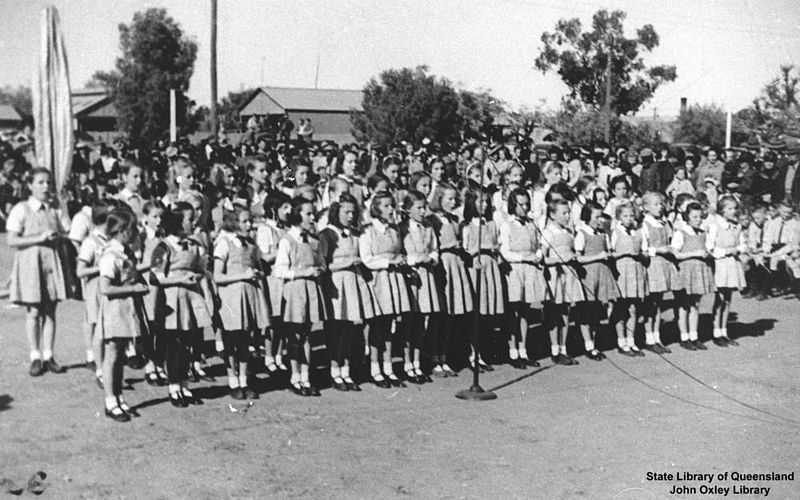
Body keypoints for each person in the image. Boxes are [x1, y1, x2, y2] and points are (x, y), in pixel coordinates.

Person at [7, 168, 72, 376]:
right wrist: (39, 238)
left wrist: (58, 236)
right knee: (34, 311)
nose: (46, 187)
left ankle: (49, 355)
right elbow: (12, 240)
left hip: (51, 263)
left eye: (48, 183)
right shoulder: (21, 209)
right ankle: (35, 356)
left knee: (50, 310)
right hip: (29, 264)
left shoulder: (54, 209)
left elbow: (66, 231)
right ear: (30, 185)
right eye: (41, 182)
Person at [151, 207, 212, 407]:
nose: (193, 223)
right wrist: (180, 279)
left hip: (190, 297)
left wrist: (197, 277)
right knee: (173, 345)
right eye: (189, 220)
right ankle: (174, 387)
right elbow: (156, 277)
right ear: (176, 224)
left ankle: (185, 386)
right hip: (171, 299)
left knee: (187, 342)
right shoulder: (164, 247)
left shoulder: (194, 245)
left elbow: (202, 269)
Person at [97, 209, 150, 422]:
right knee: (112, 356)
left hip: (126, 309)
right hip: (115, 310)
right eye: (132, 228)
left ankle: (119, 396)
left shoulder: (125, 251)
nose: (135, 232)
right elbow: (105, 288)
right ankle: (110, 401)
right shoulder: (110, 256)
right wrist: (134, 289)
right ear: (121, 231)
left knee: (119, 357)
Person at [318, 193, 375, 391]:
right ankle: (335, 372)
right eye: (346, 211)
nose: (351, 215)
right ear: (336, 211)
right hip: (336, 285)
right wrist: (346, 263)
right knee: (336, 329)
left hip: (353, 283)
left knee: (349, 329)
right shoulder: (327, 234)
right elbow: (322, 265)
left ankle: (346, 370)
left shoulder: (354, 233)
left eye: (353, 212)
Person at [214, 206, 270, 400]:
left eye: (250, 221)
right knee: (231, 340)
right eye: (245, 221)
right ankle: (232, 381)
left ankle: (244, 380)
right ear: (234, 223)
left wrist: (258, 273)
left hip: (248, 295)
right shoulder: (224, 243)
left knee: (245, 341)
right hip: (231, 298)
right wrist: (242, 275)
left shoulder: (251, 245)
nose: (250, 225)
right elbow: (217, 276)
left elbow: (258, 266)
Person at [274, 196, 327, 396]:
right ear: (297, 215)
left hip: (310, 289)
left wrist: (319, 268)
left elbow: (321, 261)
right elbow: (279, 270)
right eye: (308, 213)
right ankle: (294, 377)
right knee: (294, 335)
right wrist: (303, 272)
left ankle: (306, 377)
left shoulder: (313, 240)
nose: (312, 217)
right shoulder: (287, 240)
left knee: (307, 334)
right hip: (295, 290)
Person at [359, 191, 412, 387]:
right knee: (377, 325)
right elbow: (367, 259)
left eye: (392, 205)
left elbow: (398, 252)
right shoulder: (367, 231)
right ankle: (375, 368)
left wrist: (400, 261)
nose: (391, 209)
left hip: (393, 280)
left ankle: (388, 367)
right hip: (378, 279)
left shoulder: (394, 229)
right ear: (376, 208)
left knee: (390, 325)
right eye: (386, 206)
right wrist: (389, 262)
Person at [499, 188, 547, 368]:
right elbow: (505, 251)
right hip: (515, 269)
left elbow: (539, 243)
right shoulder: (507, 224)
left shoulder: (531, 224)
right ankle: (513, 352)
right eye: (521, 204)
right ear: (512, 205)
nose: (525, 207)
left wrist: (538, 254)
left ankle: (523, 350)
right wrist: (523, 257)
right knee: (514, 312)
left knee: (526, 311)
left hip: (530, 269)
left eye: (527, 204)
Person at [428, 183, 472, 377]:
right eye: (449, 199)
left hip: (456, 264)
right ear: (439, 199)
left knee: (451, 315)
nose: (453, 202)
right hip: (442, 265)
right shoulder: (432, 220)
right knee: (440, 315)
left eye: (455, 199)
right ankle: (433, 357)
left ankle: (444, 356)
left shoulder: (454, 219)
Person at [399, 190, 440, 383]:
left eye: (425, 208)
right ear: (408, 210)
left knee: (422, 320)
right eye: (419, 208)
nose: (423, 212)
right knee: (410, 320)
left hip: (426, 276)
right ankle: (407, 364)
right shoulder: (402, 228)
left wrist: (431, 259)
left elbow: (434, 250)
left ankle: (416, 362)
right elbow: (399, 254)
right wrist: (415, 260)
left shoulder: (428, 228)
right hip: (411, 277)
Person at [462, 189, 504, 371]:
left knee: (487, 313)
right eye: (480, 202)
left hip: (491, 269)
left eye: (486, 202)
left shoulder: (491, 224)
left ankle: (482, 354)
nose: (484, 205)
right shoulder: (467, 226)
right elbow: (465, 250)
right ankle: (472, 354)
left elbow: (497, 246)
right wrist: (474, 255)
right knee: (476, 315)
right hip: (476, 269)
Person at [541, 198, 585, 365]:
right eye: (564, 213)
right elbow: (543, 258)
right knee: (554, 312)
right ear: (552, 215)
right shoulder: (547, 232)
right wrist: (559, 260)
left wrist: (574, 257)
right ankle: (554, 349)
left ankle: (563, 348)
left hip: (569, 274)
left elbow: (572, 250)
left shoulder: (568, 232)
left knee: (566, 311)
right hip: (555, 274)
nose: (567, 216)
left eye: (568, 213)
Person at [574, 201, 618, 361]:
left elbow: (608, 250)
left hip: (602, 273)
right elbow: (578, 258)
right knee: (587, 310)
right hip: (589, 275)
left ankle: (595, 342)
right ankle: (588, 345)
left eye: (601, 217)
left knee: (599, 310)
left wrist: (609, 255)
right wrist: (597, 257)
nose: (600, 220)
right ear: (587, 217)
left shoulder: (603, 234)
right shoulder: (582, 233)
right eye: (596, 217)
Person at [75, 199, 112, 386]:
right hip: (96, 289)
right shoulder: (91, 242)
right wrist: (101, 268)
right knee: (99, 331)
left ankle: (109, 369)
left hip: (110, 289)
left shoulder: (113, 240)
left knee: (110, 332)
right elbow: (80, 271)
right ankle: (100, 370)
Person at [671, 202, 715, 351]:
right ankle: (684, 337)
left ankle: (694, 336)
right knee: (684, 305)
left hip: (699, 271)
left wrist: (708, 254)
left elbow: (709, 248)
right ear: (687, 218)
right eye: (694, 217)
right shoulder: (681, 232)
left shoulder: (703, 232)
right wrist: (694, 254)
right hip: (685, 271)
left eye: (700, 216)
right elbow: (675, 253)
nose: (698, 219)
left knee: (695, 304)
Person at [707, 196, 746, 347]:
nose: (733, 211)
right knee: (720, 298)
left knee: (728, 298)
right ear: (722, 210)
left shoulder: (737, 226)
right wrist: (728, 251)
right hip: (720, 264)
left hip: (732, 264)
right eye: (730, 208)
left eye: (735, 208)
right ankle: (716, 332)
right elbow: (711, 247)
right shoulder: (715, 225)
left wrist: (737, 249)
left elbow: (743, 245)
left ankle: (724, 331)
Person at [641, 192, 677, 354]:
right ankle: (649, 338)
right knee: (651, 303)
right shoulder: (645, 224)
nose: (660, 206)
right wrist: (658, 250)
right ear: (646, 207)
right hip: (652, 264)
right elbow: (642, 249)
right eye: (655, 204)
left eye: (661, 204)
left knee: (659, 302)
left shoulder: (662, 222)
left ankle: (657, 337)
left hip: (664, 264)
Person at [610, 203, 648, 357]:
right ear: (619, 217)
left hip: (635, 271)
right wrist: (623, 253)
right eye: (625, 216)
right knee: (621, 307)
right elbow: (611, 253)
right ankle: (621, 341)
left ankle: (631, 340)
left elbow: (645, 251)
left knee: (633, 307)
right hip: (621, 271)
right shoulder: (615, 232)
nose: (629, 218)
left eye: (631, 215)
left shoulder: (639, 231)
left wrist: (640, 255)